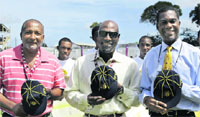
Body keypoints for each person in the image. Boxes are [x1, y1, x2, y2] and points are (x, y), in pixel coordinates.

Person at [65, 20, 141, 116]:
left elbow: (138, 100)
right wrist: (86, 100)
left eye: (112, 35)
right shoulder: (80, 63)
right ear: (97, 37)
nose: (107, 38)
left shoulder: (130, 65)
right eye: (103, 34)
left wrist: (121, 90)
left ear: (118, 37)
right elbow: (69, 93)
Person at [139, 6, 200, 117]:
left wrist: (178, 86)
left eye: (172, 21)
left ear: (179, 23)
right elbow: (144, 88)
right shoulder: (150, 56)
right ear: (158, 27)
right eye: (164, 22)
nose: (168, 26)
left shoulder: (195, 54)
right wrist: (146, 99)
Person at [0, 19, 66, 117]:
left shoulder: (52, 60)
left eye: (37, 33)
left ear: (43, 37)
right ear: (21, 35)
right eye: (28, 32)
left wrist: (49, 92)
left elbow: (60, 90)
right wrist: (13, 107)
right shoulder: (3, 58)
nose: (33, 37)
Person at [52, 37, 75, 116]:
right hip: (55, 101)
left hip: (69, 102)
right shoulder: (52, 63)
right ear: (58, 48)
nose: (66, 51)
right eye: (63, 48)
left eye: (68, 49)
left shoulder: (74, 64)